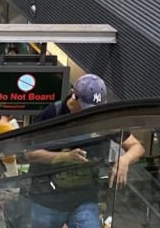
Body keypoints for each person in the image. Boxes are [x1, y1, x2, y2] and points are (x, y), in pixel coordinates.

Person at [25, 75, 145, 228]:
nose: (90, 115)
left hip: (84, 198)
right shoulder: (52, 114)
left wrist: (125, 160)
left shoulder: (102, 118)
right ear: (74, 96)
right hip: (48, 199)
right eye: (86, 108)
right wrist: (64, 157)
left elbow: (137, 146)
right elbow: (29, 153)